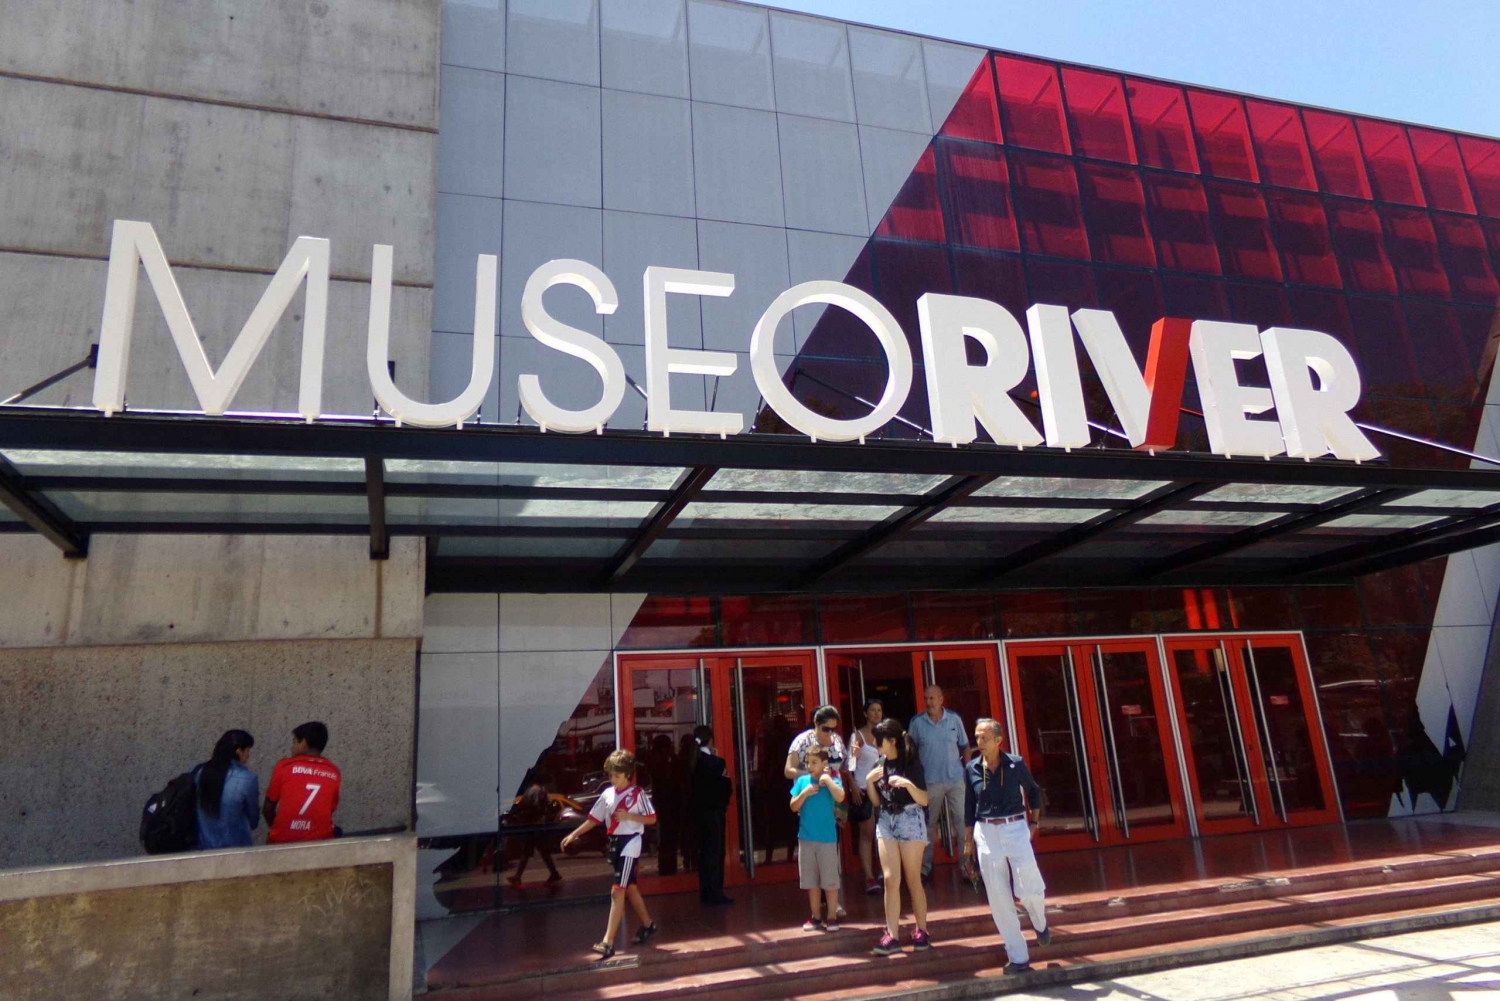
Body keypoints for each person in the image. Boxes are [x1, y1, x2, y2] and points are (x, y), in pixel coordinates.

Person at [961, 718, 1050, 975]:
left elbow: (1033, 791)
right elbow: (969, 805)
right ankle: (1018, 957)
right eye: (977, 737)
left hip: (1015, 828)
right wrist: (968, 841)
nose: (979, 743)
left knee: (1029, 885)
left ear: (999, 740)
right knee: (999, 897)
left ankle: (1039, 921)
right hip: (986, 832)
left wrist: (1033, 822)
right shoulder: (971, 769)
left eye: (984, 738)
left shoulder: (1015, 763)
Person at [561, 749, 659, 960]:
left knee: (618, 890)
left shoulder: (637, 794)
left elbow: (652, 818)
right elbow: (594, 819)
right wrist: (573, 834)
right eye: (611, 775)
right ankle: (648, 925)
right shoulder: (607, 794)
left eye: (617, 775)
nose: (613, 779)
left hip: (630, 842)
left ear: (627, 774)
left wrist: (629, 816)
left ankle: (608, 942)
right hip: (615, 843)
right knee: (630, 887)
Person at [866, 717, 932, 956]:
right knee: (890, 878)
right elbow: (875, 802)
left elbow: (924, 799)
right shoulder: (879, 763)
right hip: (886, 820)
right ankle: (892, 935)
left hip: (910, 818)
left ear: (892, 741)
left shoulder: (911, 764)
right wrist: (869, 783)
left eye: (879, 740)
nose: (875, 744)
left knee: (913, 878)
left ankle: (921, 929)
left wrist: (906, 784)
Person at [908, 685, 970, 879]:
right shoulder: (917, 723)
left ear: (941, 699)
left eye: (933, 698)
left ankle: (967, 868)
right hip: (929, 782)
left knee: (963, 824)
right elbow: (910, 752)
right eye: (926, 698)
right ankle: (924, 870)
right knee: (927, 826)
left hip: (955, 780)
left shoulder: (954, 719)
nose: (929, 702)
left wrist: (968, 772)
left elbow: (965, 746)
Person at [790, 745, 845, 931]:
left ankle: (831, 916)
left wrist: (828, 780)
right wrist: (804, 793)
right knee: (811, 882)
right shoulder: (802, 781)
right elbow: (793, 806)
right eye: (808, 762)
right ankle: (815, 916)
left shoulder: (832, 781)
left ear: (824, 763)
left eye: (814, 762)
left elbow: (840, 796)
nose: (810, 766)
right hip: (806, 838)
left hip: (827, 839)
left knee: (830, 881)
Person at [263, 721, 342, 844]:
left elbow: (267, 808)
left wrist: (281, 829)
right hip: (319, 842)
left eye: (294, 742)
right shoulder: (334, 772)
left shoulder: (284, 766)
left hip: (281, 840)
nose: (292, 748)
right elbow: (329, 810)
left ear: (303, 743)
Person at [687, 724, 734, 905]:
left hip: (698, 815)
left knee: (704, 853)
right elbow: (726, 786)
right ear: (710, 739)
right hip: (714, 814)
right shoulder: (716, 762)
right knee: (715, 853)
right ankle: (716, 893)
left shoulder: (692, 762)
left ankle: (705, 893)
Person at [193, 729, 259, 849]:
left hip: (203, 850)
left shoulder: (200, 773)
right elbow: (253, 819)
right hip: (236, 850)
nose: (248, 756)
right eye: (248, 751)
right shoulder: (247, 779)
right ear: (239, 751)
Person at [847, 699, 885, 896]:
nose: (876, 714)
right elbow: (849, 766)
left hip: (884, 790)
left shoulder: (886, 734)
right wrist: (853, 787)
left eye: (879, 710)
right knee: (867, 833)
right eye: (872, 710)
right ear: (865, 713)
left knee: (885, 833)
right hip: (864, 788)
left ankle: (883, 872)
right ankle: (869, 876)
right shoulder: (858, 736)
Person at [508, 768, 562, 886]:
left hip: (533, 825)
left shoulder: (533, 790)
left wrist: (517, 813)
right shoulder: (542, 790)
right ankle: (553, 873)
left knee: (530, 851)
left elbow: (528, 805)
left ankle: (518, 877)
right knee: (539, 851)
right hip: (538, 824)